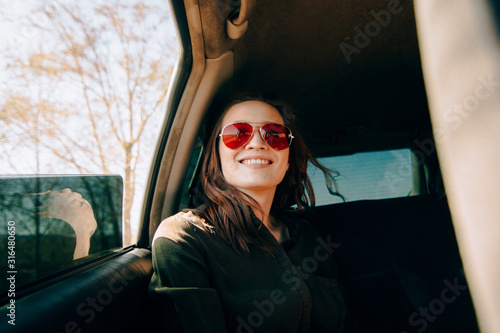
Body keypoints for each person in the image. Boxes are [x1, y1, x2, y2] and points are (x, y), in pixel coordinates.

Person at [149, 92, 346, 333]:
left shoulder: (307, 235)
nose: (256, 143)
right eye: (237, 133)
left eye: (274, 135)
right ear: (217, 154)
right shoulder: (184, 237)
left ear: (286, 159)